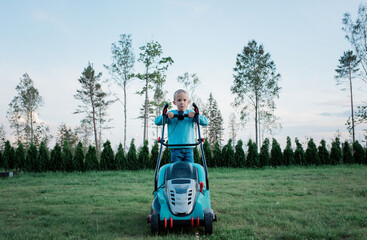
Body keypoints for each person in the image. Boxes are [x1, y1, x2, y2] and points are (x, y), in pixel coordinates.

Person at [155, 89, 208, 163]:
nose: (182, 102)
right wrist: (166, 116)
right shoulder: (171, 114)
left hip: (189, 148)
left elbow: (205, 122)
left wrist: (196, 116)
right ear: (174, 102)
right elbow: (157, 122)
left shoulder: (191, 113)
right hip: (175, 148)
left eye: (184, 100)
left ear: (188, 102)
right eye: (179, 100)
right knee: (176, 169)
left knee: (190, 169)